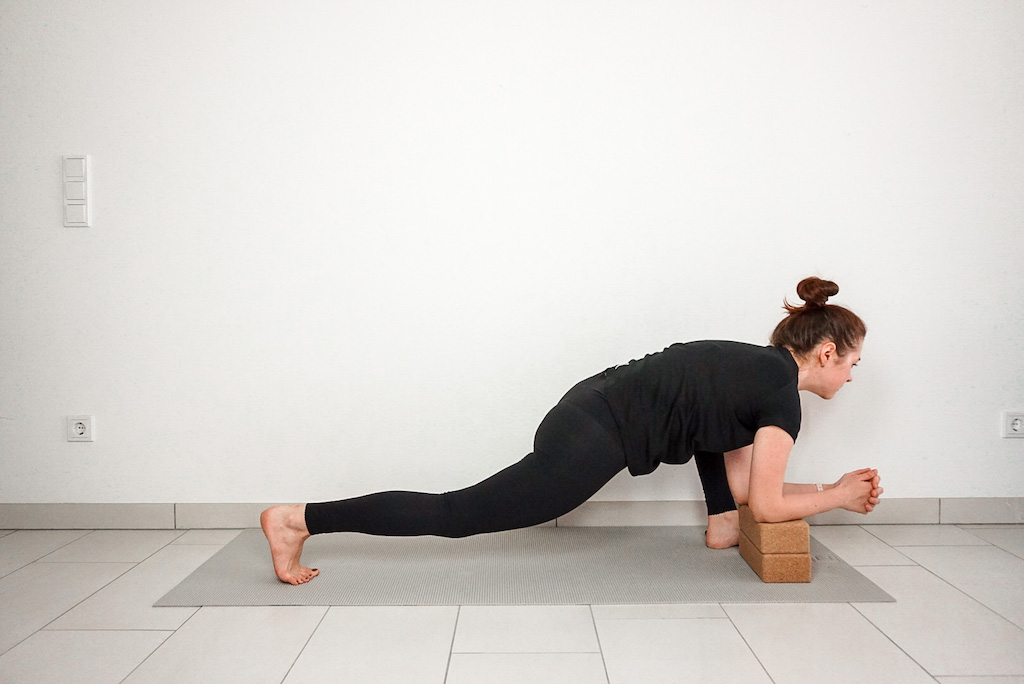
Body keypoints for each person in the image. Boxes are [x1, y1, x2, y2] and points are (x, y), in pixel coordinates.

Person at [261, 276, 883, 585]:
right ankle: (299, 519)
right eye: (853, 363)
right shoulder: (780, 400)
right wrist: (839, 495)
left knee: (462, 508)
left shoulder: (754, 373)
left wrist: (725, 517)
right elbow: (770, 502)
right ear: (826, 353)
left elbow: (724, 455)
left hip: (586, 410)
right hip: (594, 434)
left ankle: (301, 519)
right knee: (460, 513)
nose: (853, 377)